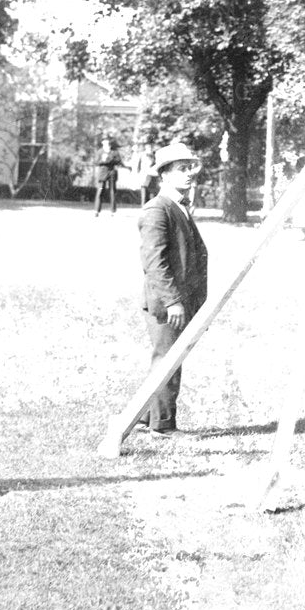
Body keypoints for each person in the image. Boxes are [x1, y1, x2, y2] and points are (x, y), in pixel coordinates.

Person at [132, 141, 208, 436]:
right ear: (163, 174)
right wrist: (173, 301)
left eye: (190, 168)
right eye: (181, 168)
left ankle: (144, 418)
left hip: (180, 300)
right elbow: (154, 263)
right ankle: (163, 425)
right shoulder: (157, 209)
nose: (188, 173)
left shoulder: (178, 206)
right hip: (167, 303)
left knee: (166, 358)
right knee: (168, 361)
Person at [94, 137, 122, 217]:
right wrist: (103, 160)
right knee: (100, 190)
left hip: (111, 172)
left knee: (112, 191)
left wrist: (109, 160)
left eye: (108, 142)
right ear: (102, 143)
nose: (107, 144)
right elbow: (96, 162)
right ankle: (97, 210)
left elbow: (119, 160)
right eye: (105, 142)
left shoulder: (114, 152)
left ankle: (112, 211)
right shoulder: (99, 152)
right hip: (102, 173)